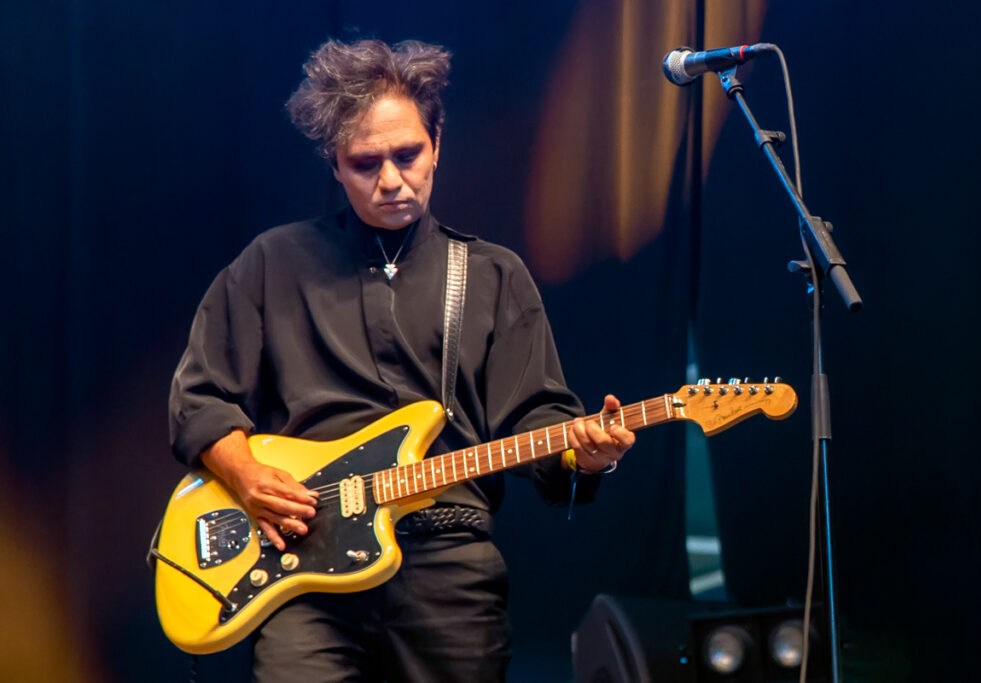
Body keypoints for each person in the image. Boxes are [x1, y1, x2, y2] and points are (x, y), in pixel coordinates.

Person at [169, 38, 634, 682]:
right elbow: (198, 398)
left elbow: (537, 417)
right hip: (304, 570)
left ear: (437, 142)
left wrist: (585, 454)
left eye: (407, 155)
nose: (391, 180)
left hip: (447, 566)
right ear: (334, 165)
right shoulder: (271, 263)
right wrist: (245, 474)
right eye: (365, 163)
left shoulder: (493, 275)